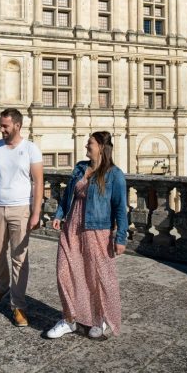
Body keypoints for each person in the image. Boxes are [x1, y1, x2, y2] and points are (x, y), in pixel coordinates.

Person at [45, 131, 128, 340]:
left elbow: (120, 208)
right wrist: (59, 214)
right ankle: (69, 319)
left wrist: (120, 238)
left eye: (89, 143)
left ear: (100, 146)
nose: (86, 146)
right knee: (64, 272)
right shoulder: (80, 167)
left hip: (97, 230)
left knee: (96, 276)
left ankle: (99, 319)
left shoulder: (114, 174)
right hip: (72, 226)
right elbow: (68, 195)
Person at [0, 108, 43, 327]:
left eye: (5, 125)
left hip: (20, 209)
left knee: (19, 259)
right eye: (1, 125)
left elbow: (38, 183)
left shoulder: (31, 149)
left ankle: (19, 305)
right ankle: (1, 287)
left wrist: (36, 213)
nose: (1, 129)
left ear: (17, 125)